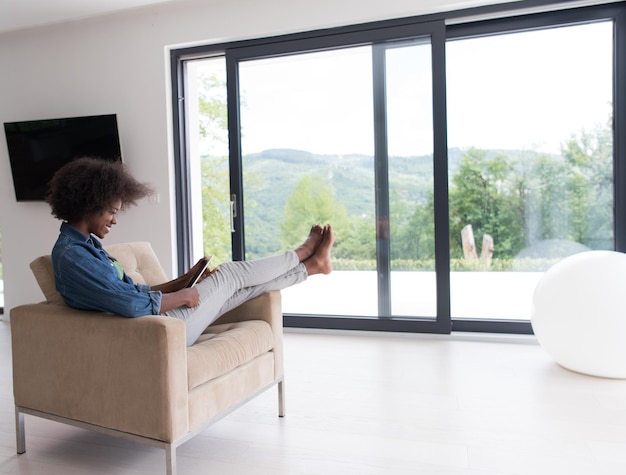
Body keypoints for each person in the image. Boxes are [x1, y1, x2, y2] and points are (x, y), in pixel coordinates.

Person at [46, 157, 334, 346]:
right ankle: (302, 251)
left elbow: (133, 292)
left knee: (236, 290)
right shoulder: (73, 257)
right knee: (231, 273)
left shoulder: (87, 247)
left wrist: (184, 280)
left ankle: (311, 267)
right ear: (89, 204)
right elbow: (130, 305)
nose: (114, 220)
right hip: (157, 330)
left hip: (156, 322)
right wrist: (182, 296)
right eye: (111, 211)